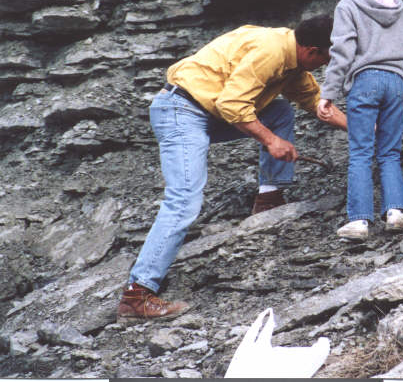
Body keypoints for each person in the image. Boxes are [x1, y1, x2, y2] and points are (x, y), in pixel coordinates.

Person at [117, 17, 347, 322]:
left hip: (206, 110)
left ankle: (268, 199)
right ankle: (137, 294)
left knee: (279, 111)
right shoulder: (271, 51)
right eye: (326, 59)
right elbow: (232, 105)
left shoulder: (292, 61)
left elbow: (315, 101)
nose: (324, 66)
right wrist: (271, 140)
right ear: (312, 51)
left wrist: (359, 129)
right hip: (181, 110)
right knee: (183, 199)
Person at [317, 0, 403, 240]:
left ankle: (360, 221)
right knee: (390, 151)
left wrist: (328, 93)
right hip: (397, 82)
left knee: (361, 151)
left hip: (366, 81)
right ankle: (396, 212)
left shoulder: (348, 5)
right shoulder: (400, 5)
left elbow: (342, 53)